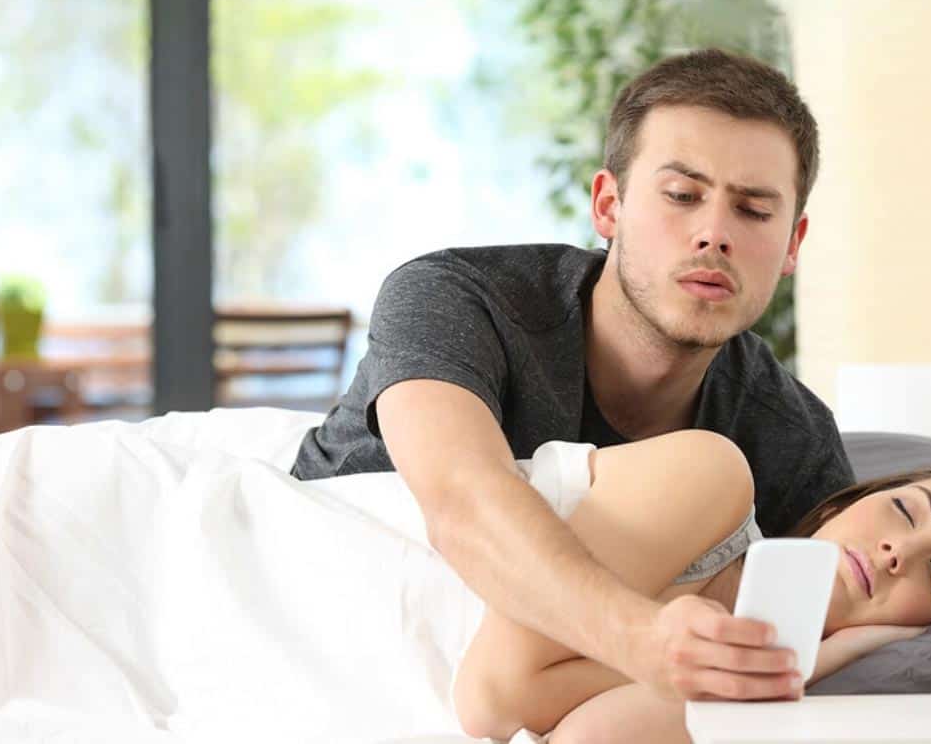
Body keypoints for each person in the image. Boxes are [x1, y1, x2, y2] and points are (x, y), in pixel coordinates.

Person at [291, 48, 856, 702]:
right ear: (609, 206)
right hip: (308, 618)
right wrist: (643, 641)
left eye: (754, 211)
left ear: (792, 244)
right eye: (681, 196)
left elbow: (850, 607)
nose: (713, 234)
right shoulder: (456, 297)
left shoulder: (793, 437)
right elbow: (461, 499)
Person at [448, 430, 931, 743]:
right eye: (905, 511)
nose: (899, 553)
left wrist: (814, 659)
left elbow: (584, 739)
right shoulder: (710, 477)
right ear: (841, 504)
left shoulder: (771, 699)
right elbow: (491, 701)